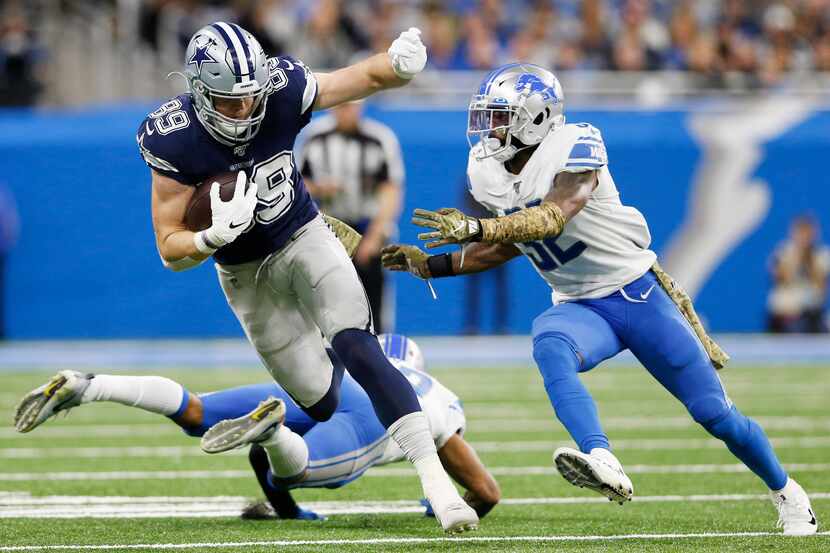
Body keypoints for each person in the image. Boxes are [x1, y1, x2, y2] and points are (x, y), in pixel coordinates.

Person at [381, 63, 818, 536]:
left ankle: (787, 492)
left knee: (716, 415)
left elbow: (552, 216)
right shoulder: (486, 172)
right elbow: (509, 244)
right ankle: (602, 458)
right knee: (549, 341)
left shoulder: (575, 144)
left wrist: (479, 226)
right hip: (580, 303)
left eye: (501, 117)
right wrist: (431, 265)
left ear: (538, 117)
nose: (491, 129)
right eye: (489, 118)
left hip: (637, 294)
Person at [134, 22, 478, 532]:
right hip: (243, 272)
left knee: (358, 344)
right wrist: (208, 238)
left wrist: (397, 66)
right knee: (323, 400)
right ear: (200, 92)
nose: (245, 110)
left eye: (251, 98)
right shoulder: (173, 137)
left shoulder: (280, 88)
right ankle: (277, 442)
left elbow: (357, 79)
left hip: (301, 234)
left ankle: (437, 484)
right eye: (231, 102)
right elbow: (170, 249)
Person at [13, 335, 500, 522]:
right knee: (299, 465)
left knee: (198, 411)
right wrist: (441, 502)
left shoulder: (356, 362)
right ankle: (272, 430)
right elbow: (486, 491)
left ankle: (90, 384)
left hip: (326, 385)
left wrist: (290, 515)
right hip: (370, 418)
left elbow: (259, 466)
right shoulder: (432, 392)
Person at [299, 101, 404, 331]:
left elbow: (391, 191)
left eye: (351, 105)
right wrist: (319, 188)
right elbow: (297, 184)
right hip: (329, 227)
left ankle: (379, 350)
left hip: (367, 225)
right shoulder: (314, 137)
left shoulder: (379, 138)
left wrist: (375, 237)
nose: (346, 111)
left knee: (373, 301)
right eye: (341, 105)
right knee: (328, 296)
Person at [767, 215, 829, 333]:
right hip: (785, 314)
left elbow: (820, 285)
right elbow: (780, 278)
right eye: (801, 233)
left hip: (812, 316)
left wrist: (809, 260)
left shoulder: (821, 255)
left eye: (807, 233)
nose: (804, 237)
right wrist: (797, 257)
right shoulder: (783, 252)